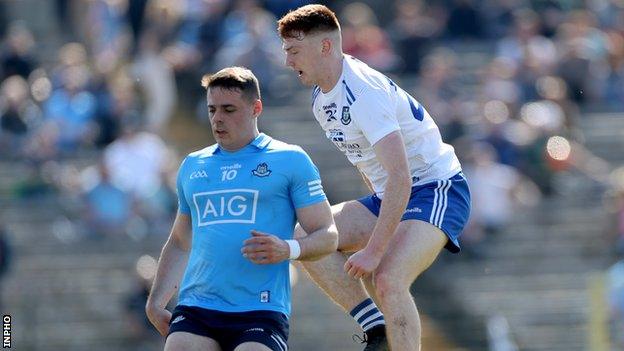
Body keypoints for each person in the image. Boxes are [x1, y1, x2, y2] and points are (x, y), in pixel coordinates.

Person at [277, 5, 471, 351]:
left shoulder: (362, 92)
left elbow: (400, 176)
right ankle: (376, 329)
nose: (289, 62)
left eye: (294, 51)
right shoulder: (322, 99)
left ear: (325, 47)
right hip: (393, 193)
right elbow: (370, 168)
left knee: (388, 279)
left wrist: (374, 249)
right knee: (308, 234)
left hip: (436, 188)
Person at [145, 66, 338, 351]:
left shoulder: (290, 159)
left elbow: (327, 234)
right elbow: (179, 241)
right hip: (198, 304)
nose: (218, 119)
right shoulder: (193, 165)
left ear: (255, 108)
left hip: (260, 307)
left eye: (228, 109)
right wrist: (155, 302)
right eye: (212, 110)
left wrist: (289, 249)